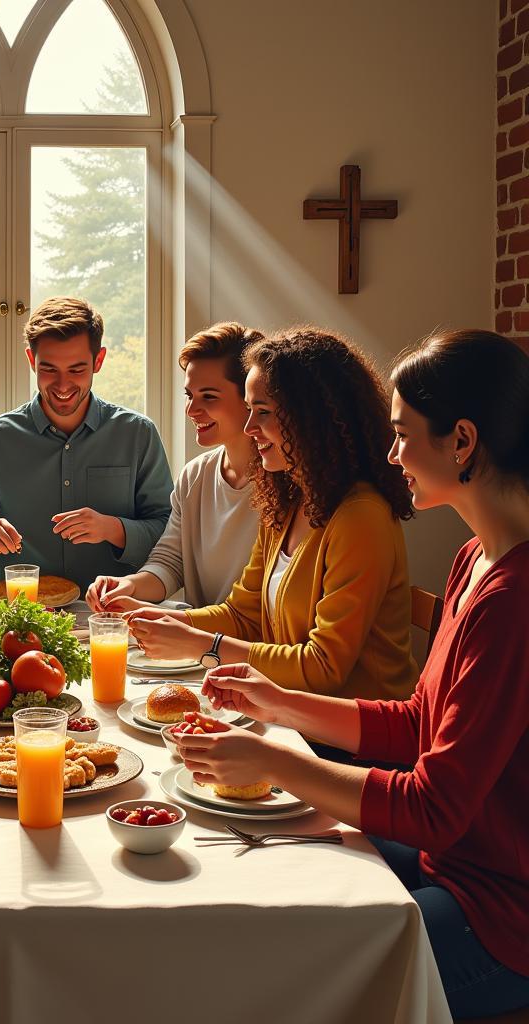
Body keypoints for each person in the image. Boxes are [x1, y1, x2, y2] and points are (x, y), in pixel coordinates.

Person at [175, 330, 529, 1020]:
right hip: (448, 862)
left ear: (462, 440)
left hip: (499, 911)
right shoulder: (472, 561)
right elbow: (419, 723)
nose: (391, 454)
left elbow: (433, 806)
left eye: (403, 435)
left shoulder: (513, 599)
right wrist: (281, 706)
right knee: (264, 872)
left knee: (286, 968)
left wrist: (273, 761)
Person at [127, 327, 418, 702]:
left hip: (350, 738)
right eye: (249, 411)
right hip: (290, 713)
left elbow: (324, 668)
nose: (250, 428)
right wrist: (162, 622)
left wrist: (203, 644)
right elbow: (242, 615)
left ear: (310, 419)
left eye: (262, 412)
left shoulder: (361, 517)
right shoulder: (288, 500)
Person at [0, 297, 173, 592]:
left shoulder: (138, 434)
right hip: (24, 618)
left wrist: (112, 528)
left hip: (111, 616)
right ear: (31, 360)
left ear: (98, 361)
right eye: (49, 369)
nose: (63, 386)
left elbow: (169, 532)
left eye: (76, 370)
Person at [86, 322, 262, 612]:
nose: (192, 410)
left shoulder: (286, 484)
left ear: (250, 398)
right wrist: (128, 585)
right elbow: (170, 562)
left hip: (249, 651)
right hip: (199, 648)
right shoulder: (195, 476)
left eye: (209, 396)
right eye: (189, 395)